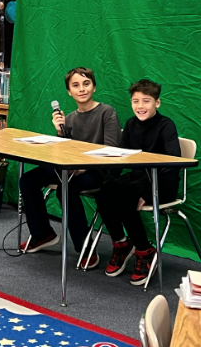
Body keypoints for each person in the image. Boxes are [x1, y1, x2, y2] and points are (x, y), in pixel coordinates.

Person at [19, 67, 120, 269]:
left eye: (86, 84)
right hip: (71, 169)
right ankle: (43, 234)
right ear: (69, 92)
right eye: (75, 85)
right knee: (28, 180)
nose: (81, 89)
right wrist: (60, 132)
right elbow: (64, 151)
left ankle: (84, 247)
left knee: (67, 187)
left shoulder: (107, 113)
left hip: (97, 171)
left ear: (94, 87)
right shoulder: (70, 119)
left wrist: (82, 166)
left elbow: (112, 150)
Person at [97, 78, 181, 285]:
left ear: (157, 103)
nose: (140, 106)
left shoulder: (166, 126)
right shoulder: (131, 124)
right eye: (136, 101)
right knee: (104, 192)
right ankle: (121, 244)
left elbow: (173, 164)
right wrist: (109, 182)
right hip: (137, 179)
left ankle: (144, 250)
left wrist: (147, 193)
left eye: (146, 101)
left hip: (162, 183)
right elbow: (121, 158)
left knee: (126, 198)